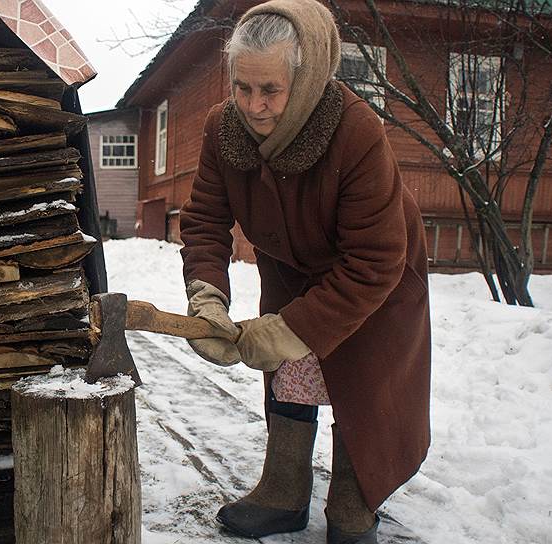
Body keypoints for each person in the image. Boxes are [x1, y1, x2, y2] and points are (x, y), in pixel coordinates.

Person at [179, 1, 432, 543]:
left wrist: (290, 328)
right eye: (243, 88)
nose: (254, 106)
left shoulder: (355, 129)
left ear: (308, 72)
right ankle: (283, 490)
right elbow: (204, 220)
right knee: (292, 374)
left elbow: (374, 258)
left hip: (379, 273)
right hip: (292, 264)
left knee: (366, 383)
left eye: (270, 89)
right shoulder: (222, 128)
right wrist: (206, 294)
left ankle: (353, 499)